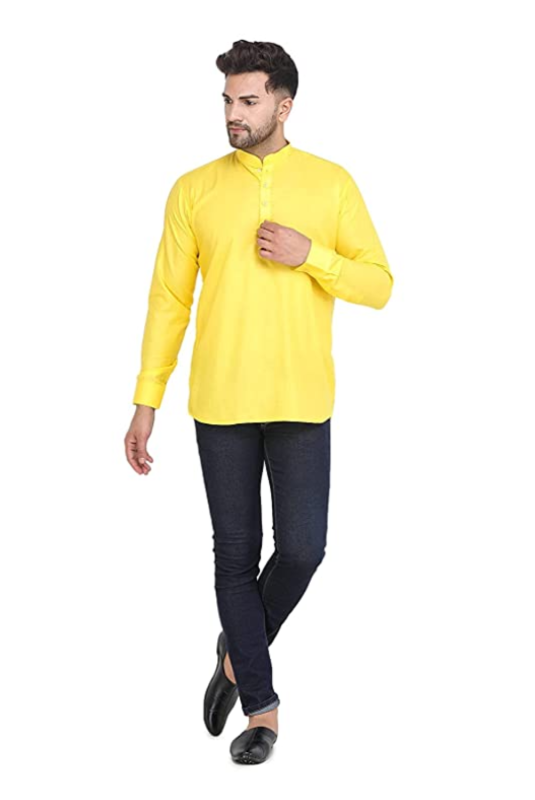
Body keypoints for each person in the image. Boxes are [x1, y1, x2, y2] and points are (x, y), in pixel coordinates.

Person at [125, 39, 393, 765]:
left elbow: (378, 284)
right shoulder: (193, 190)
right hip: (221, 402)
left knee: (303, 549)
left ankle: (236, 653)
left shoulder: (331, 183)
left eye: (248, 100)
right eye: (226, 101)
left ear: (284, 104)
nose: (232, 114)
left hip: (302, 399)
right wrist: (147, 399)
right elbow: (169, 300)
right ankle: (262, 710)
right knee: (235, 557)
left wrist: (313, 256)